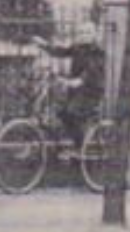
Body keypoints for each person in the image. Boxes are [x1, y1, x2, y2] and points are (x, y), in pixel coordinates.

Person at [34, 21, 105, 149]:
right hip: (77, 92)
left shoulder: (98, 52)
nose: (84, 35)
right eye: (81, 32)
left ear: (94, 35)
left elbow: (92, 69)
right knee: (62, 112)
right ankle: (76, 141)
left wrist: (80, 80)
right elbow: (60, 52)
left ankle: (80, 144)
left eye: (88, 32)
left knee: (71, 112)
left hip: (91, 92)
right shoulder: (77, 48)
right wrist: (44, 45)